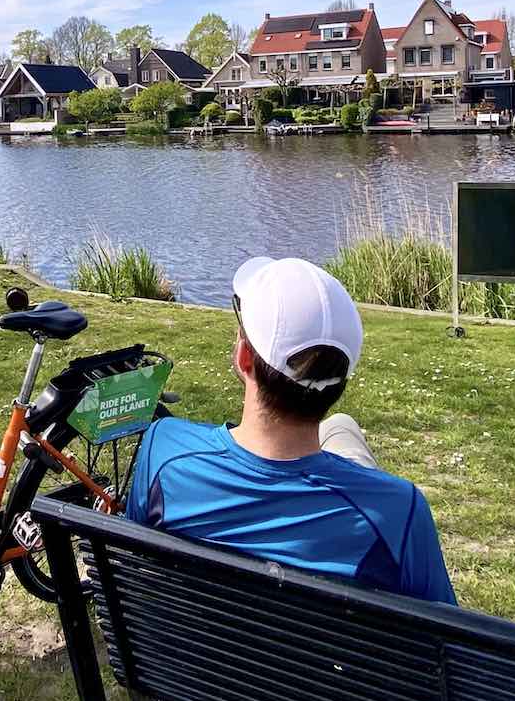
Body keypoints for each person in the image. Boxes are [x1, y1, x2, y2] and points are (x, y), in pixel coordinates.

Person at [124, 256, 457, 604]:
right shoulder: (396, 512)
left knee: (341, 431)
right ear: (339, 383)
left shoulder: (165, 451)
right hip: (320, 656)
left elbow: (136, 568)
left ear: (244, 359)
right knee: (342, 428)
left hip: (181, 656)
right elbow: (448, 649)